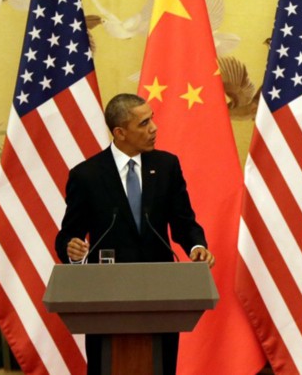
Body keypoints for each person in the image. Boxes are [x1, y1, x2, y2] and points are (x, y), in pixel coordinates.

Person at [55, 93, 214, 375]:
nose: (154, 128)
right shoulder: (87, 175)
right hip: (107, 296)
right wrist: (73, 249)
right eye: (143, 123)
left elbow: (184, 222)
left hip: (160, 294)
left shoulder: (166, 167)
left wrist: (196, 246)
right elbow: (68, 235)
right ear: (120, 133)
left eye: (152, 119)